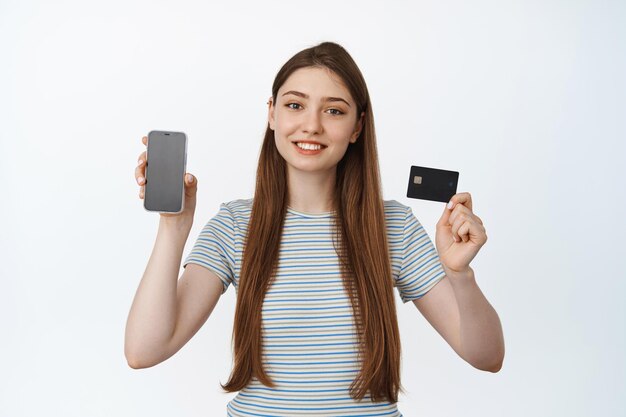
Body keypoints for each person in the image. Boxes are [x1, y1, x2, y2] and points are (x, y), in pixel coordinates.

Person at [125, 41, 505, 416]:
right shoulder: (235, 225)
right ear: (272, 114)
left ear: (357, 126)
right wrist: (173, 228)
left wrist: (460, 275)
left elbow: (487, 356)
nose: (312, 125)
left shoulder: (394, 226)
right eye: (295, 105)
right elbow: (144, 351)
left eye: (334, 111)